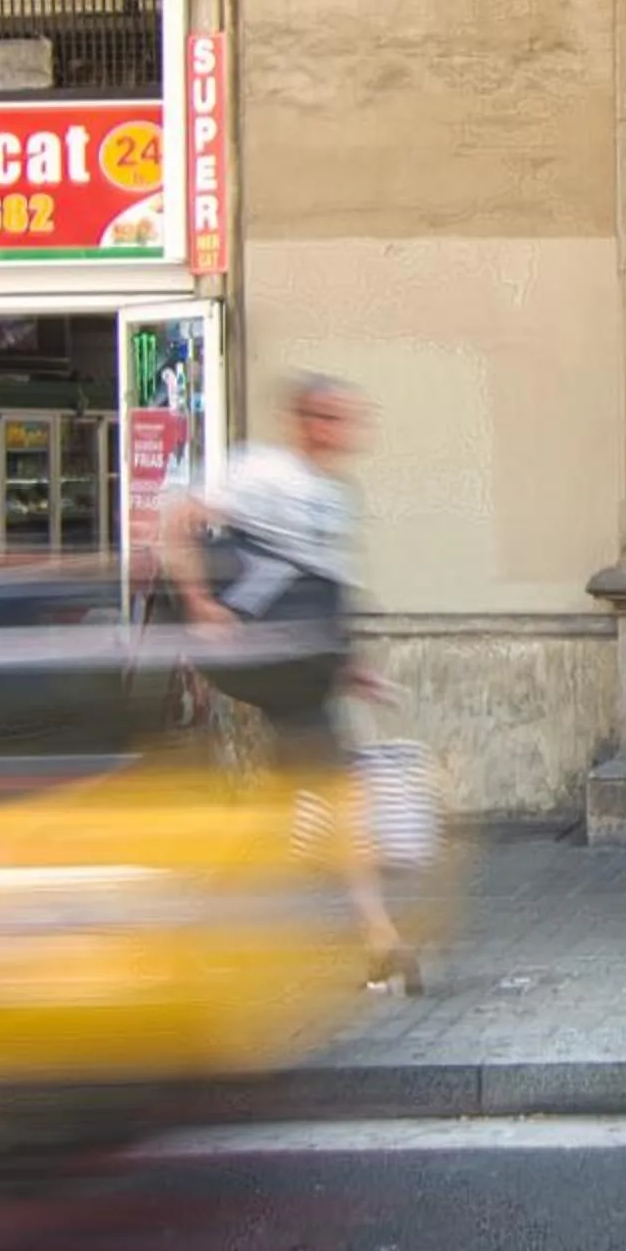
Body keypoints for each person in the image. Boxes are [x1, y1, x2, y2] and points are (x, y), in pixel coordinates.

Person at [161, 373, 415, 987]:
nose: (342, 432)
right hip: (265, 655)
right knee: (340, 797)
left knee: (285, 808)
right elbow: (175, 521)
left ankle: (193, 929)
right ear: (302, 421)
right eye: (329, 418)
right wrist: (201, 606)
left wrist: (348, 667)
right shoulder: (261, 472)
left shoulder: (337, 494)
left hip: (303, 662)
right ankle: (380, 940)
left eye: (346, 419)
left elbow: (325, 587)